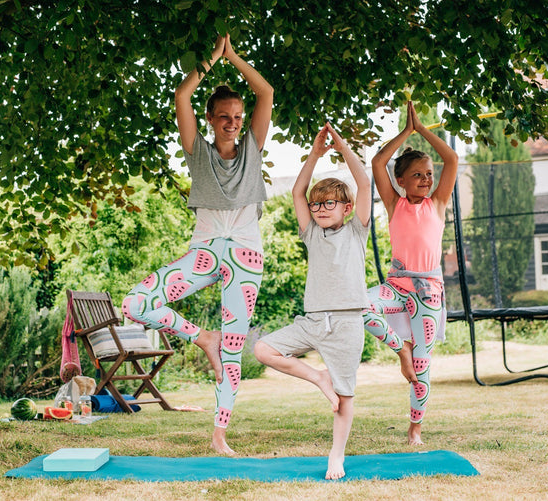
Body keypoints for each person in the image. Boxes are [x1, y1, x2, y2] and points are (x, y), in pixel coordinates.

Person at [122, 33, 273, 456]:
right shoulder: (197, 152)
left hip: (245, 258)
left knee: (234, 349)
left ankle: (220, 434)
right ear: (210, 118)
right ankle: (202, 337)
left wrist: (235, 58)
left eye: (238, 115)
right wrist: (212, 59)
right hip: (204, 254)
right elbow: (181, 94)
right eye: (224, 115)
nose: (233, 122)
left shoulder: (254, 149)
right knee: (135, 303)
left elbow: (266, 91)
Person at [254, 122, 398, 480]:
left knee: (345, 395)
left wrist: (341, 146)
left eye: (328, 203)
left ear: (346, 207)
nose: (319, 209)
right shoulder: (311, 235)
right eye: (316, 204)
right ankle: (318, 378)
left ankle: (337, 456)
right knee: (263, 350)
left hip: (347, 322)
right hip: (313, 321)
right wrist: (315, 155)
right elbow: (298, 192)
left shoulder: (356, 231)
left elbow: (364, 183)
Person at [366, 101, 458, 446]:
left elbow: (451, 160)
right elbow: (378, 162)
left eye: (428, 174)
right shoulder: (394, 203)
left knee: (423, 368)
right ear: (401, 180)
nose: (426, 179)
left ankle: (415, 428)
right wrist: (405, 132)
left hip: (429, 293)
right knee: (360, 303)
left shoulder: (438, 203)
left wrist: (424, 130)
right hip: (396, 286)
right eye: (417, 174)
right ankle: (400, 349)